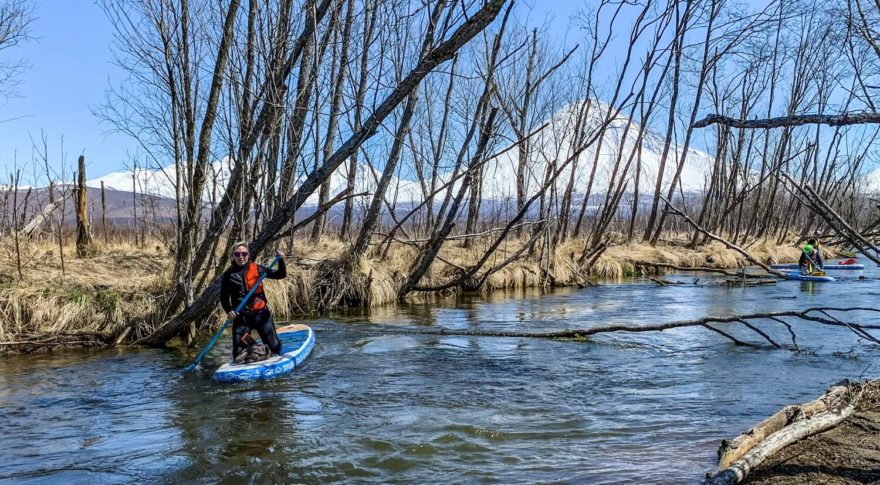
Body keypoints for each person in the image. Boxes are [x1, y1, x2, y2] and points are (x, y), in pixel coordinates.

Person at [219, 241, 287, 363]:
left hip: (261, 316)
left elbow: (280, 275)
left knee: (275, 348)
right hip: (241, 319)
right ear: (233, 256)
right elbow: (223, 298)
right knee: (238, 356)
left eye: (244, 254)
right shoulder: (228, 275)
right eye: (237, 254)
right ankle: (255, 347)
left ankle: (261, 347)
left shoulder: (258, 269)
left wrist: (281, 260)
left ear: (248, 255)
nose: (241, 257)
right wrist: (229, 311)